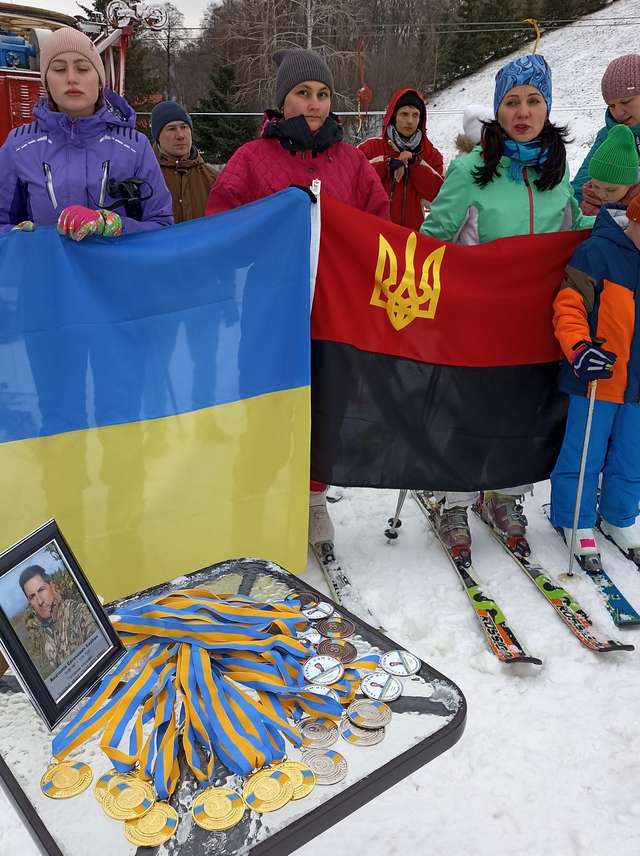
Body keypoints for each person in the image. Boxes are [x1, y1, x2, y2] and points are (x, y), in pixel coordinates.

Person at [206, 48, 389, 548]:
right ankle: (256, 494)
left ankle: (311, 500)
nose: (314, 104)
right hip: (268, 313)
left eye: (323, 94)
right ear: (281, 100)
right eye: (303, 93)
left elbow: (380, 225)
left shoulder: (351, 162)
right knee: (264, 403)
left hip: (333, 314)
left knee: (325, 408)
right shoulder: (251, 159)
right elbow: (221, 221)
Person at [420, 54, 594, 558]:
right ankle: (452, 498)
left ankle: (504, 492)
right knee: (467, 406)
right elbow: (433, 241)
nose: (523, 112)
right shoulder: (471, 169)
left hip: (532, 323)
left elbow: (570, 233)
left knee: (521, 408)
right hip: (475, 321)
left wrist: (608, 224)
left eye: (533, 101)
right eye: (512, 102)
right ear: (498, 112)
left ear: (547, 108)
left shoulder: (557, 174)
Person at [0, 26, 173, 235]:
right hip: (45, 267)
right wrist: (20, 237)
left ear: (99, 81)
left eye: (82, 68)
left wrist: (114, 225)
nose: (71, 78)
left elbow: (162, 226)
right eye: (59, 69)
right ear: (46, 82)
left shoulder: (135, 146)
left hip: (114, 268)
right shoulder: (19, 146)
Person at [549, 194, 640, 559]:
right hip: (597, 379)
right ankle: (574, 517)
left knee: (631, 456)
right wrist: (579, 348)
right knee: (583, 453)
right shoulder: (597, 252)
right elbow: (568, 306)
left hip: (637, 387)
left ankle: (619, 515)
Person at [358, 88, 444, 228]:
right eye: (404, 114)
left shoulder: (429, 154)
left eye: (415, 115)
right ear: (393, 116)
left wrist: (415, 163)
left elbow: (440, 198)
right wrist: (386, 164)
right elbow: (355, 183)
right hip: (375, 235)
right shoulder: (370, 148)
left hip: (412, 240)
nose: (410, 121)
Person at [572, 54, 640, 213]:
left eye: (625, 102)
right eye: (611, 106)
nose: (618, 113)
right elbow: (580, 186)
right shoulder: (609, 135)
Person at [20, 565, 96, 673]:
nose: (39, 601)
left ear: (53, 587)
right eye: (32, 597)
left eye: (41, 590)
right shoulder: (41, 636)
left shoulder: (79, 613)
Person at [151, 100, 217, 223]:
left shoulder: (213, 179)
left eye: (184, 127)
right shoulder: (146, 178)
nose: (180, 135)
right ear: (158, 137)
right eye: (171, 129)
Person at [580, 124, 639, 212]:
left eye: (611, 190)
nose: (601, 195)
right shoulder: (590, 199)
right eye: (595, 186)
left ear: (631, 184)